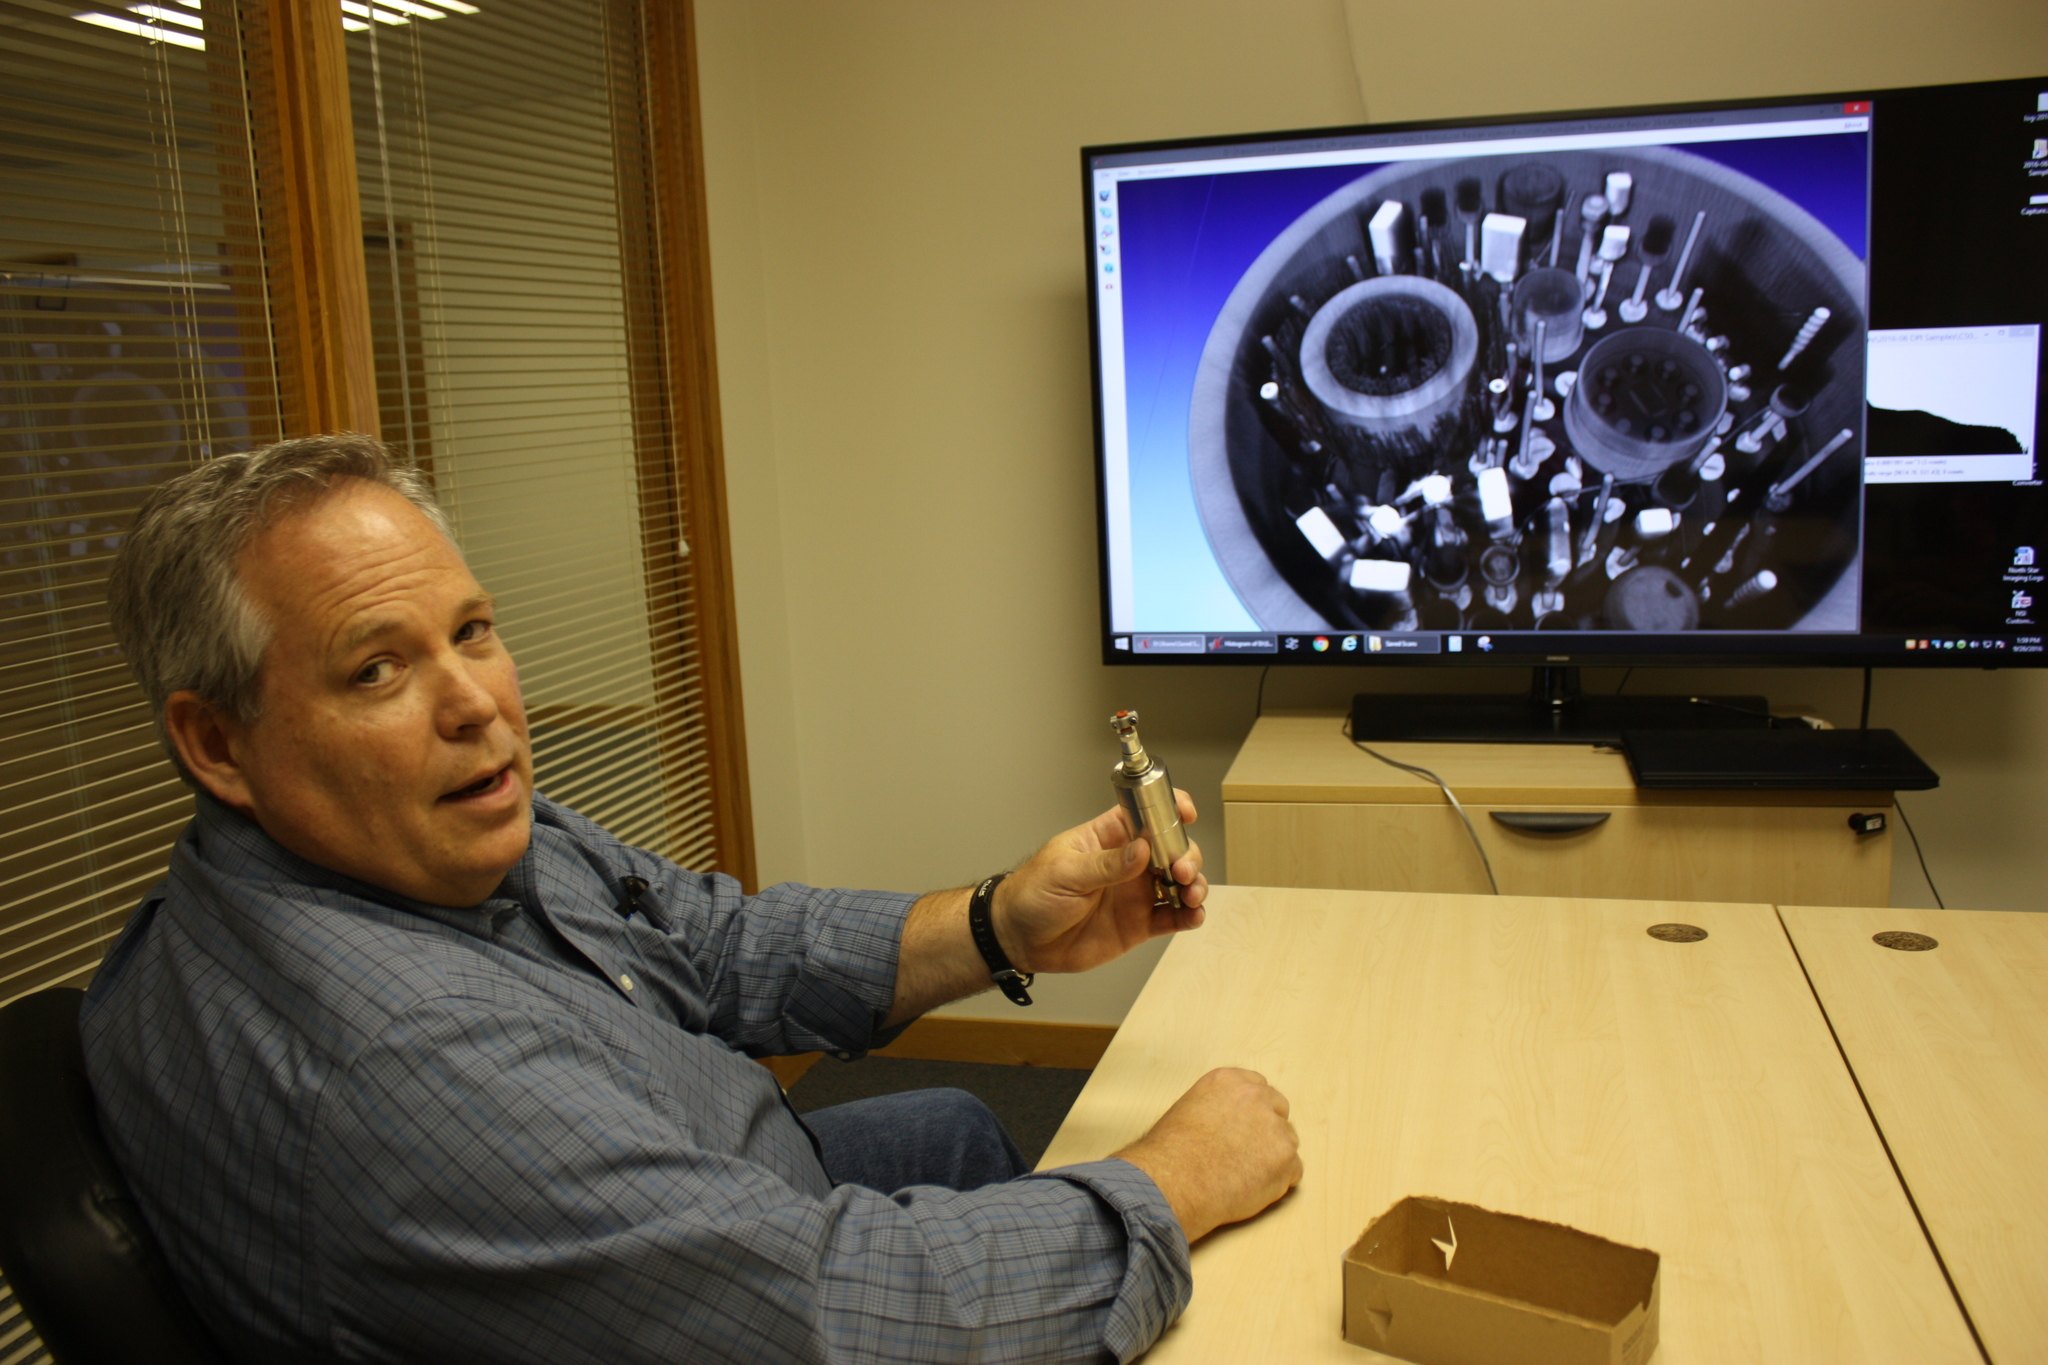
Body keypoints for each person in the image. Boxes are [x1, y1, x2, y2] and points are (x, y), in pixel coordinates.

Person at [82, 433, 1302, 1364]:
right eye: (376, 667)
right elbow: (829, 1316)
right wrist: (1173, 1178)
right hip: (752, 1284)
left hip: (710, 1187)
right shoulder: (391, 1066)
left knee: (957, 1132)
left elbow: (708, 945)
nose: (476, 704)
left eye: (472, 630)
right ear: (219, 744)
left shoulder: (435, 830)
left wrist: (996, 920)